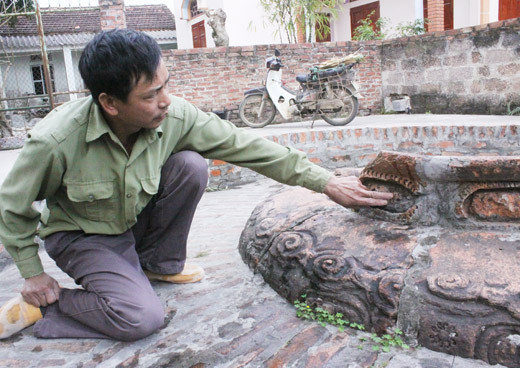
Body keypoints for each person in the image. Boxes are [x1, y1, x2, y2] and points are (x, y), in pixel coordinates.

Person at [0, 29, 392, 341]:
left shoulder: (174, 116)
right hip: (83, 236)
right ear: (110, 103)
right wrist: (33, 273)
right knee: (140, 317)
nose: (167, 101)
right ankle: (43, 309)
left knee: (190, 165)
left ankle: (157, 265)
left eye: (165, 86)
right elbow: (11, 205)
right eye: (151, 95)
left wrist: (323, 181)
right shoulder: (57, 140)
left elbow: (246, 145)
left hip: (130, 223)